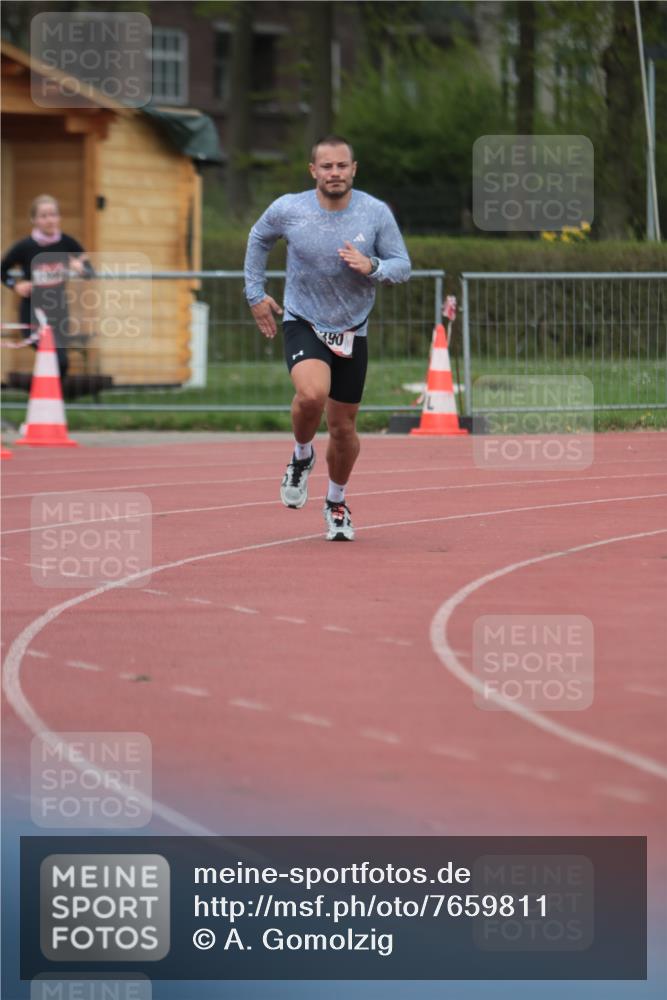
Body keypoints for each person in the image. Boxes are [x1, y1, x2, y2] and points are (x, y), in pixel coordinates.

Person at [244, 135, 411, 541]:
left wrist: (371, 265)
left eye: (341, 166)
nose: (334, 173)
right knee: (312, 394)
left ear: (354, 169)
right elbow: (258, 238)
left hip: (353, 328)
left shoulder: (374, 212)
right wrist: (255, 294)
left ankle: (336, 502)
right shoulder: (289, 208)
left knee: (343, 430)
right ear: (313, 171)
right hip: (303, 318)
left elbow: (402, 265)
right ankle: (301, 456)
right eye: (326, 166)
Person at [1, 194, 91, 380]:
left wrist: (81, 267)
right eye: (44, 215)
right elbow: (2, 270)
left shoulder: (67, 243)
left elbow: (90, 271)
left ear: (59, 217)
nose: (50, 219)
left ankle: (50, 399)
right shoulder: (25, 246)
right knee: (52, 356)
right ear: (34, 220)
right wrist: (16, 285)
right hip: (32, 313)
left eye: (53, 214)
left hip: (58, 312)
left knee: (62, 362)